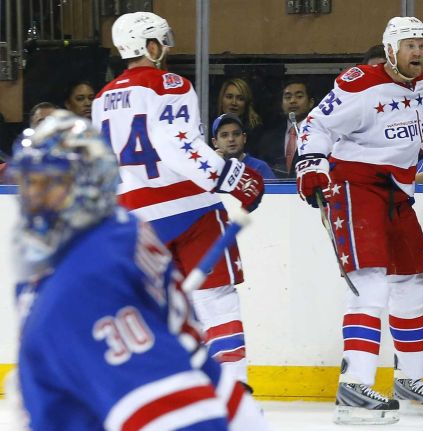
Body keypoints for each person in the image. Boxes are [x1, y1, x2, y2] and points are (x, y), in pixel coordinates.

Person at [9, 111, 269, 431]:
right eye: (30, 183)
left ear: (90, 184)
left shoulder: (85, 281)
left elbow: (165, 408)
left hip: (199, 405)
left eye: (51, 183)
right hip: (222, 397)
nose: (35, 198)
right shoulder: (124, 229)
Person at [92, 12, 265, 386]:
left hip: (135, 219)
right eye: (162, 41)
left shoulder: (102, 98)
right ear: (151, 46)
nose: (167, 48)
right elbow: (179, 146)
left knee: (153, 309)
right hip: (191, 209)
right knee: (215, 298)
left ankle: (163, 392)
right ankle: (231, 386)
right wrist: (234, 178)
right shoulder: (168, 83)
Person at [295, 16, 423, 424]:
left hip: (397, 193)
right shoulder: (359, 83)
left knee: (411, 284)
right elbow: (316, 123)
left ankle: (409, 379)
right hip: (354, 186)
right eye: (410, 45)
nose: (419, 52)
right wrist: (310, 165)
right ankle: (355, 386)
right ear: (389, 50)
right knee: (370, 284)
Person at [257, 79, 315, 178]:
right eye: (288, 97)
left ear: (311, 102)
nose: (292, 101)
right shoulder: (268, 139)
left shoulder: (319, 135)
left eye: (299, 96)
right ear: (281, 104)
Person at [212, 113, 276, 179]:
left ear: (244, 138)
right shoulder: (211, 169)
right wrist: (216, 165)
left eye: (236, 134)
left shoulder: (260, 168)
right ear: (215, 142)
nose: (231, 139)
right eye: (224, 135)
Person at [217, 78, 264, 156]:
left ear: (246, 103)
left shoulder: (256, 132)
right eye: (229, 97)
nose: (234, 103)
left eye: (240, 99)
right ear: (221, 99)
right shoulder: (209, 126)